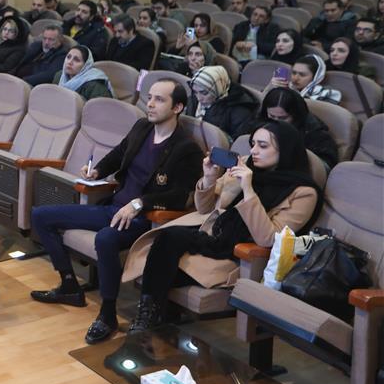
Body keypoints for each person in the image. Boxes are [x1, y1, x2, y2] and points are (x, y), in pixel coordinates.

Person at [29, 79, 201, 344]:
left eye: (159, 99)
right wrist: (97, 170)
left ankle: (107, 314)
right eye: (150, 97)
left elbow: (179, 197)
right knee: (41, 215)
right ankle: (69, 284)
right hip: (113, 208)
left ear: (177, 107)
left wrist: (139, 203)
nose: (150, 104)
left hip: (144, 219)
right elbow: (119, 154)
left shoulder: (186, 148)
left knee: (106, 238)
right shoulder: (142, 127)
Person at [121, 120, 321, 333]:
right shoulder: (245, 165)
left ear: (286, 150)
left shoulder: (304, 193)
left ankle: (150, 319)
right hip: (212, 235)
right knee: (166, 240)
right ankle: (149, 318)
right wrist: (209, 179)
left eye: (263, 146)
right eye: (253, 144)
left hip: (240, 254)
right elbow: (204, 208)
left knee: (158, 266)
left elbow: (268, 239)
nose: (254, 151)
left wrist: (248, 190)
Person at [241, 87, 340, 168]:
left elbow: (325, 168)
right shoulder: (259, 122)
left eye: (283, 118)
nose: (276, 121)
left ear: (295, 115)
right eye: (271, 116)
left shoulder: (315, 134)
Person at [187, 66, 258, 139]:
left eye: (204, 93)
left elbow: (237, 141)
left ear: (218, 88)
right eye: (195, 92)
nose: (199, 98)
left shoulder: (240, 110)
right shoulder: (193, 99)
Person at [270, 54, 342, 105]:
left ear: (315, 77)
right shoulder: (287, 87)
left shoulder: (328, 94)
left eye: (302, 75)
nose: (295, 78)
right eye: (294, 73)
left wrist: (294, 94)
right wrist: (270, 88)